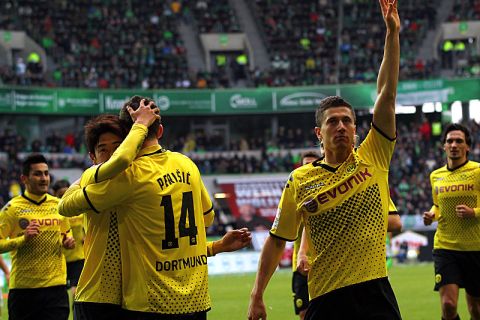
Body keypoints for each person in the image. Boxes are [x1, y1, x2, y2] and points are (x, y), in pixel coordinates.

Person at [247, 0, 401, 318]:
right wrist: (257, 294)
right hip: (327, 299)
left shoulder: (374, 154)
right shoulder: (300, 180)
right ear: (319, 132)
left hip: (375, 292)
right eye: (333, 122)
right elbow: (277, 241)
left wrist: (392, 34)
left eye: (347, 120)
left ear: (358, 129)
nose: (341, 127)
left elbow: (386, 93)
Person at [59, 96, 251, 319]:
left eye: (116, 147)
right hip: (195, 301)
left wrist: (86, 177)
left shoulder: (128, 176)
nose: (112, 154)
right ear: (159, 131)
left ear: (129, 137)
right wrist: (214, 247)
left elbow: (66, 205)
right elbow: (205, 220)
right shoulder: (186, 163)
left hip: (151, 302)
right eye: (104, 149)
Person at [0, 154, 75, 320]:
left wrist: (68, 241)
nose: (44, 178)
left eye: (46, 173)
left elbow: (66, 232)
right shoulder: (12, 209)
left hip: (56, 288)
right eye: (37, 174)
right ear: (24, 178)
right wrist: (22, 239)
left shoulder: (58, 205)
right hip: (23, 291)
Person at [423, 123, 480, 320]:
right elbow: (437, 205)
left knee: (476, 310)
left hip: (475, 248)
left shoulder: (478, 171)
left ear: (468, 147)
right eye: (449, 141)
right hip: (445, 247)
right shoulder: (436, 176)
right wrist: (432, 214)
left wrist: (474, 212)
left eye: (459, 141)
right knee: (448, 305)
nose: (454, 145)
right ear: (443, 146)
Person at [291, 151, 321, 320]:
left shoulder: (328, 193)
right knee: (304, 314)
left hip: (323, 265)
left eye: (312, 164)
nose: (308, 169)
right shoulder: (295, 195)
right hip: (300, 267)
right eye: (305, 165)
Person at [52, 179, 85, 311]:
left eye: (66, 193)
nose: (64, 197)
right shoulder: (53, 214)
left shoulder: (79, 211)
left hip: (78, 258)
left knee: (76, 291)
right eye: (61, 195)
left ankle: (76, 312)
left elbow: (88, 230)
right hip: (60, 260)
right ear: (54, 194)